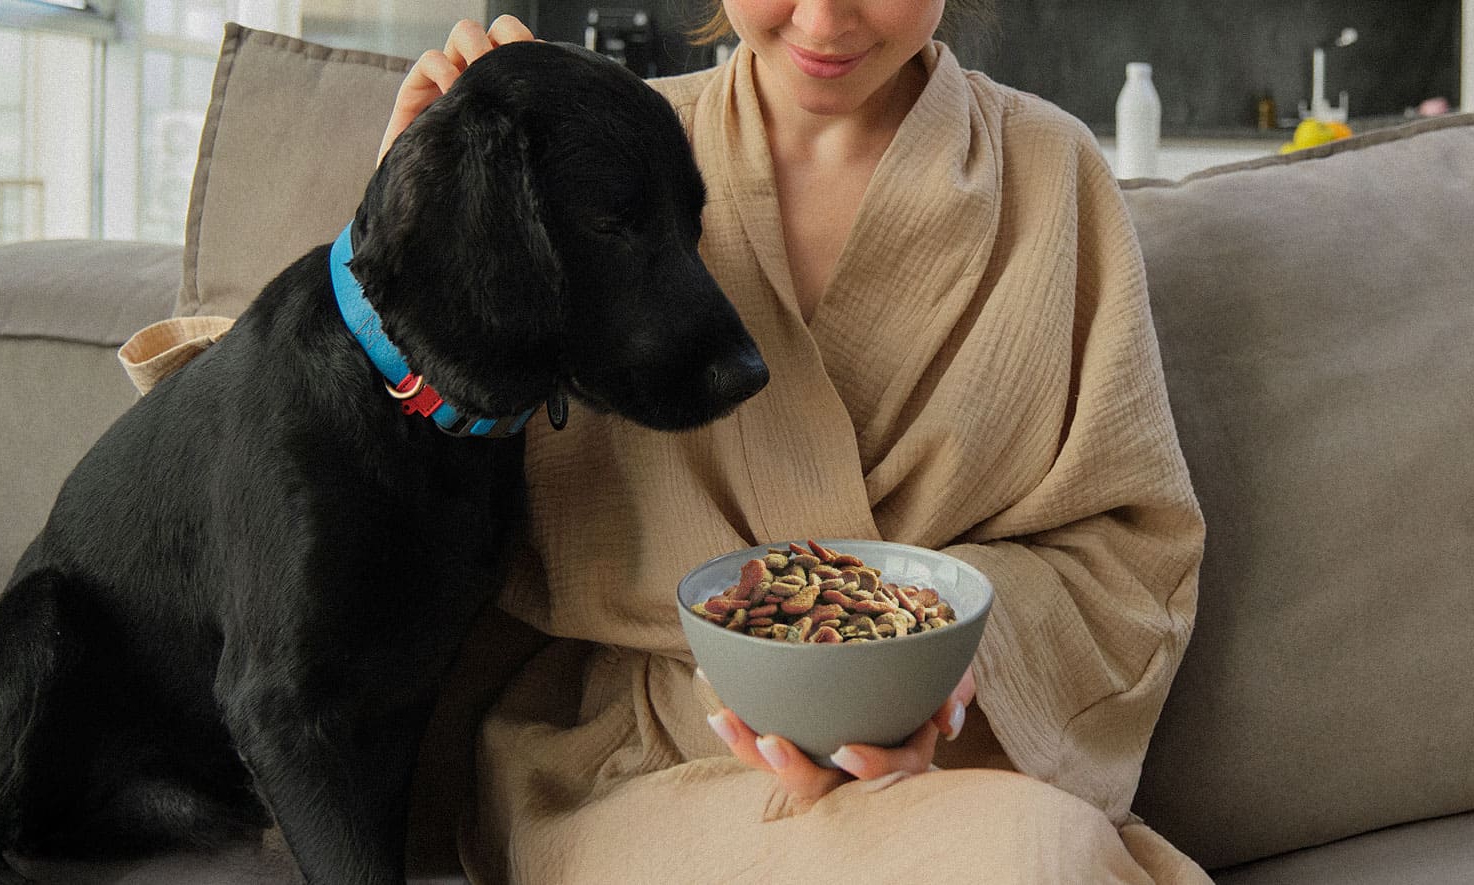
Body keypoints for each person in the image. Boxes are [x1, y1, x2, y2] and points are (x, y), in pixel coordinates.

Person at [383, 4, 1210, 882]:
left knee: (1037, 857)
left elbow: (1128, 553)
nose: (822, 16)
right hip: (646, 772)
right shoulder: (577, 170)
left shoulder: (1051, 175)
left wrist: (930, 673)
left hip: (954, 774)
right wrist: (427, 246)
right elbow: (389, 509)